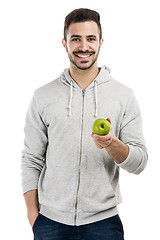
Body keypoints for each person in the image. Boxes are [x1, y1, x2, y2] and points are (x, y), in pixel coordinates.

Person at [21, 8, 148, 240]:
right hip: (50, 222)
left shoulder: (123, 96)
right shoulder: (43, 96)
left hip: (103, 223)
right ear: (64, 43)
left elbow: (139, 163)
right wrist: (33, 216)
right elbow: (31, 159)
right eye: (75, 39)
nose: (84, 47)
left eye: (90, 38)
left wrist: (111, 144)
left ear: (100, 42)